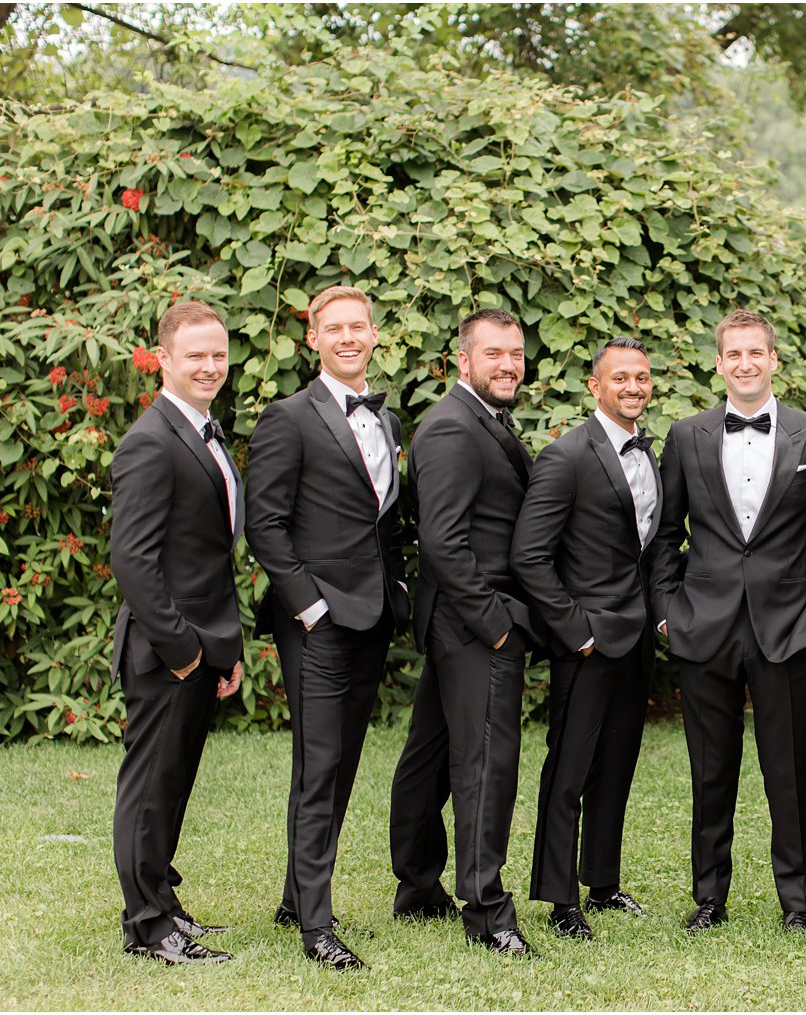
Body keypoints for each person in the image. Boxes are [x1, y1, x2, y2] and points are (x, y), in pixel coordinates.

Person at [651, 309, 806, 935]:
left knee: (787, 771)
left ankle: (796, 902)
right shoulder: (686, 436)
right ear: (719, 363)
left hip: (786, 625)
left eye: (755, 353)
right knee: (710, 772)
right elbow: (662, 535)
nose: (744, 364)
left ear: (773, 360)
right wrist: (665, 613)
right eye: (733, 354)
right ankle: (709, 896)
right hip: (703, 625)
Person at [245, 285, 410, 971]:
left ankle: (295, 896)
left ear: (374, 335)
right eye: (333, 328)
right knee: (318, 765)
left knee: (340, 759)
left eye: (359, 327)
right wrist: (309, 606)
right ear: (313, 339)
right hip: (315, 619)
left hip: (370, 615)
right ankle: (317, 924)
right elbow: (265, 524)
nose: (348, 337)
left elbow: (385, 520)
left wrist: (395, 589)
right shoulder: (288, 418)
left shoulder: (388, 419)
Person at [389, 308, 543, 957]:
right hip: (475, 620)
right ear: (463, 361)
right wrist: (499, 626)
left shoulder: (479, 420)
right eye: (494, 353)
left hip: (461, 620)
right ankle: (486, 907)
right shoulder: (454, 428)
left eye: (515, 353)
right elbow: (443, 542)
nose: (508, 363)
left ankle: (418, 884)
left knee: (429, 755)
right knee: (485, 763)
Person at [512, 337, 660, 940]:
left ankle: (602, 882)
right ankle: (558, 896)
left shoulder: (655, 455)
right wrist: (577, 631)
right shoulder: (566, 457)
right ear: (595, 387)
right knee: (569, 770)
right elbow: (529, 556)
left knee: (617, 765)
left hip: (637, 637)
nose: (633, 387)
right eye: (620, 378)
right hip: (588, 642)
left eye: (642, 377)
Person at [110, 299, 244, 965]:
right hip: (165, 652)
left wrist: (227, 648)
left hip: (201, 644)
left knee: (176, 783)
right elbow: (132, 561)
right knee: (149, 789)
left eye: (218, 353)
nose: (209, 365)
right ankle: (147, 924)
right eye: (195, 354)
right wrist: (184, 650)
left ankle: (163, 897)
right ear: (163, 358)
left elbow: (210, 554)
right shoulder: (149, 440)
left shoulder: (201, 430)